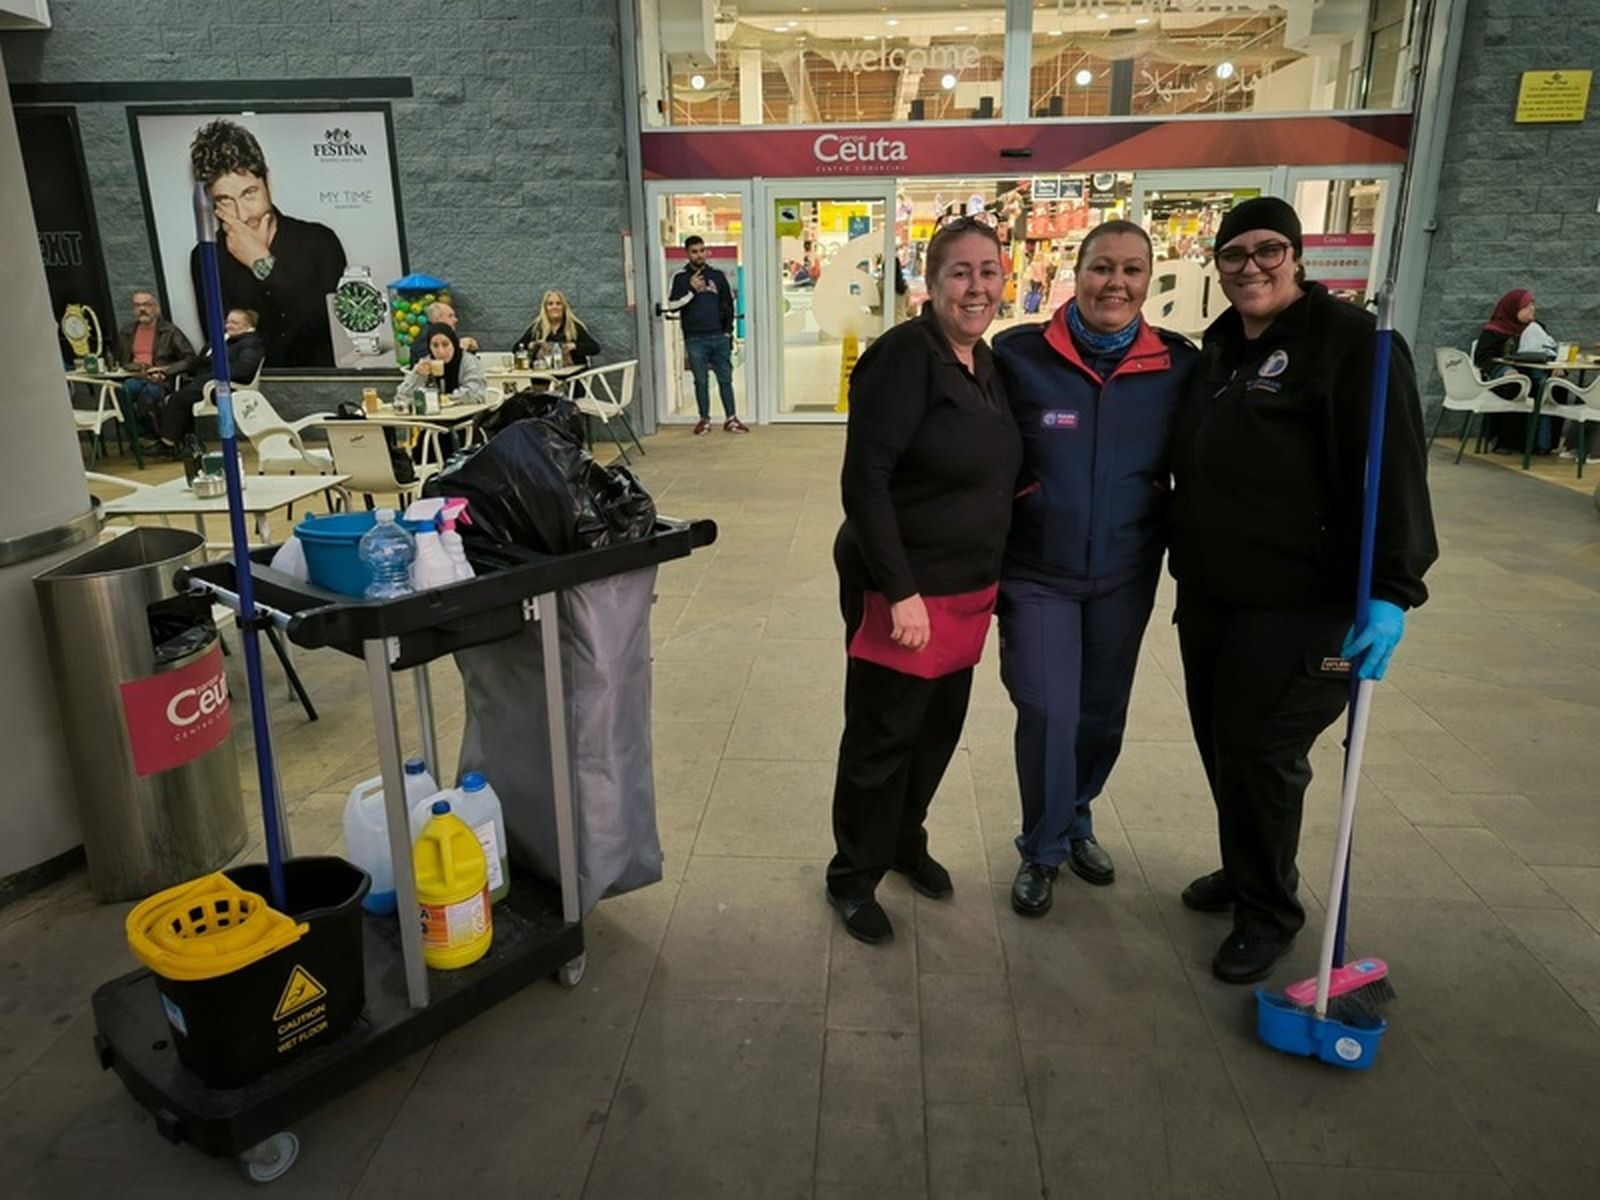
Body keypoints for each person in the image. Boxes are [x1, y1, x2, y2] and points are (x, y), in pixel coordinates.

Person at [1168, 197, 1437, 984]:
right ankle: (1250, 868)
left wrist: (1392, 588)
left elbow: (1396, 473)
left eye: (1268, 250)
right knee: (1225, 746)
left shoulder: (1352, 343)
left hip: (1302, 602)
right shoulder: (1217, 351)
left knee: (1263, 751)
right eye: (1233, 255)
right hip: (1213, 594)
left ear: (1298, 255)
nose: (1250, 266)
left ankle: (1269, 913)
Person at [826, 216, 1022, 945]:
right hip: (904, 592)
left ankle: (904, 842)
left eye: (989, 271)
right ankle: (852, 874)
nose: (977, 286)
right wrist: (899, 590)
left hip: (968, 593)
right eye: (961, 272)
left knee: (936, 732)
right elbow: (865, 480)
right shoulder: (904, 357)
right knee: (882, 737)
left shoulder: (984, 360)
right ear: (931, 283)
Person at [993, 220, 1197, 918]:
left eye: (1132, 270)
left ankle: (1077, 816)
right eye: (1102, 268)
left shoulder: (1177, 365)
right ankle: (1042, 849)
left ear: (1149, 279)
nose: (1116, 283)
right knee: (1048, 710)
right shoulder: (1018, 355)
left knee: (1101, 714)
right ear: (1074, 275)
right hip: (1036, 569)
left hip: (1125, 570)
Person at [188, 119, 347, 368]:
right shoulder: (207, 256)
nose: (242, 214)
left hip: (318, 386)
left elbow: (326, 330)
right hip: (249, 391)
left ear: (267, 182)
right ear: (211, 202)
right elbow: (224, 343)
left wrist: (262, 263)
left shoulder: (319, 241)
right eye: (225, 200)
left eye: (249, 193)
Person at [151, 307, 265, 453]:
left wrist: (214, 372)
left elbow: (244, 369)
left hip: (228, 388)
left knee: (179, 399)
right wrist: (166, 371)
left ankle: (168, 444)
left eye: (235, 323)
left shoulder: (251, 343)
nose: (229, 325)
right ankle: (186, 444)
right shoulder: (220, 340)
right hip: (205, 384)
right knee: (177, 398)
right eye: (228, 322)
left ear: (248, 326)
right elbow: (196, 363)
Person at [665, 235, 748, 434]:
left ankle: (731, 418)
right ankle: (704, 419)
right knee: (701, 380)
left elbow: (728, 304)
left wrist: (728, 332)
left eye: (702, 250)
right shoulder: (680, 278)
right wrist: (691, 291)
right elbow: (672, 307)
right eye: (694, 251)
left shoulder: (717, 276)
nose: (699, 255)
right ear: (687, 254)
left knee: (725, 379)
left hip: (719, 336)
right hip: (695, 338)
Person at [1472, 289, 1547, 453]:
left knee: (1554, 388)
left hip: (1532, 373)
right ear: (1513, 309)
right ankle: (1508, 442)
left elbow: (1548, 350)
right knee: (1518, 386)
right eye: (1526, 306)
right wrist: (1505, 370)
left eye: (1533, 304)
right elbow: (1482, 358)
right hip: (1502, 379)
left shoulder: (1535, 329)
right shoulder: (1494, 330)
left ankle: (1543, 444)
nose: (1532, 309)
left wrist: (1558, 367)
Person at [115, 291, 195, 429]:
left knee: (149, 396)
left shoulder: (170, 331)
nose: (142, 309)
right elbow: (121, 359)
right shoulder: (126, 332)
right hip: (136, 376)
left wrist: (164, 371)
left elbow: (190, 359)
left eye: (147, 305)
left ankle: (157, 436)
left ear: (156, 308)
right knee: (121, 392)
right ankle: (138, 436)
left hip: (161, 379)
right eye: (137, 305)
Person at [395, 322, 486, 407]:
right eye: (435, 346)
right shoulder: (426, 363)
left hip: (466, 420)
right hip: (432, 420)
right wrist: (418, 376)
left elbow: (475, 393)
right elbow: (402, 396)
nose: (441, 351)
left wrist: (443, 400)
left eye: (445, 344)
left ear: (454, 344)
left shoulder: (467, 360)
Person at [513, 290, 600, 367]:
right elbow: (516, 348)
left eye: (558, 304)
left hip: (571, 377)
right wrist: (531, 345)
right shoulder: (537, 328)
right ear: (545, 308)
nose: (554, 307)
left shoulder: (573, 327)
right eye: (550, 304)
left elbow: (594, 348)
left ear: (564, 307)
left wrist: (574, 346)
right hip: (544, 375)